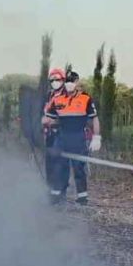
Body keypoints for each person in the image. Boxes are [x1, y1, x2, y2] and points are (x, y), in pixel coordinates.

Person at [43, 70, 102, 205]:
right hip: (62, 137)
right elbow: (50, 119)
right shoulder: (57, 99)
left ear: (77, 82)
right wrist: (35, 122)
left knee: (78, 168)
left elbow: (95, 119)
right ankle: (56, 196)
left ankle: (82, 198)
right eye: (67, 81)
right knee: (58, 167)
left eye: (72, 81)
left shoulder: (85, 98)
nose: (69, 84)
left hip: (78, 137)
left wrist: (97, 136)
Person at [42, 68, 66, 193]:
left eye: (57, 79)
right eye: (52, 80)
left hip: (61, 134)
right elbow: (44, 112)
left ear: (63, 80)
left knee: (58, 163)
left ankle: (59, 193)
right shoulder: (50, 94)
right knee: (49, 162)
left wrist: (54, 122)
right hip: (49, 134)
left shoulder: (66, 96)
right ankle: (50, 190)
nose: (55, 82)